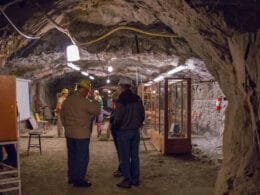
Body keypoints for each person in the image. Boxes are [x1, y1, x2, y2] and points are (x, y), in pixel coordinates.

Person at [60, 79, 100, 187]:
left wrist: (67, 127)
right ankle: (80, 180)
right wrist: (94, 100)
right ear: (84, 90)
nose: (88, 93)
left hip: (69, 134)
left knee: (72, 156)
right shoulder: (85, 101)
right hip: (82, 135)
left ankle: (72, 177)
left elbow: (62, 116)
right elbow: (97, 111)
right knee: (82, 158)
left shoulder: (67, 101)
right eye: (87, 91)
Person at [113, 77, 145, 188]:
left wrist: (116, 127)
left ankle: (127, 179)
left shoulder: (122, 99)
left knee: (125, 157)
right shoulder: (137, 98)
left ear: (121, 86)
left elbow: (118, 116)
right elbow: (142, 114)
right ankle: (135, 179)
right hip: (135, 132)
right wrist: (138, 124)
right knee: (135, 156)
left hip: (124, 132)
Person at [109, 91, 123, 177]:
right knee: (122, 152)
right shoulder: (120, 107)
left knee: (121, 152)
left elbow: (116, 120)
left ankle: (122, 170)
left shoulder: (119, 108)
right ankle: (123, 169)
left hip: (118, 132)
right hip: (119, 131)